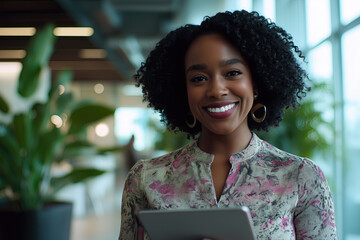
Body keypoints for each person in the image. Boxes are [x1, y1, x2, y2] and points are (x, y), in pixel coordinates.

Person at [119, 10, 337, 240]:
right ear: (182, 91)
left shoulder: (301, 177)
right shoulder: (146, 178)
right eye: (199, 78)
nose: (216, 90)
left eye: (233, 73)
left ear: (256, 82)